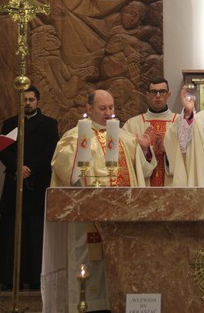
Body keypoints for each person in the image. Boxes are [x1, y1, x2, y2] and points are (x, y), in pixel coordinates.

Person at [44, 89, 156, 312]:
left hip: (122, 217)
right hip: (88, 219)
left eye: (111, 108)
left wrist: (144, 149)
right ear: (89, 109)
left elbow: (144, 171)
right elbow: (62, 166)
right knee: (88, 263)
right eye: (102, 108)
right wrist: (77, 154)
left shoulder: (124, 137)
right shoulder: (75, 136)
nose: (108, 113)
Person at [0, 85, 59, 290]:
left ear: (37, 101)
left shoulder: (49, 124)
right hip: (15, 180)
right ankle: (8, 277)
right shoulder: (10, 124)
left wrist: (30, 168)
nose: (28, 103)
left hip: (37, 182)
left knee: (35, 230)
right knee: (11, 228)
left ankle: (34, 277)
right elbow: (2, 150)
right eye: (25, 100)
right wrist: (17, 167)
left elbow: (51, 150)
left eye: (31, 99)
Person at [123, 77, 184, 186]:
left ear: (168, 95)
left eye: (162, 92)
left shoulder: (180, 123)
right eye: (154, 92)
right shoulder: (132, 124)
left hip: (172, 188)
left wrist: (167, 150)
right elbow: (126, 159)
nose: (158, 96)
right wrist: (147, 151)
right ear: (147, 95)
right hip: (144, 189)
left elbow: (187, 159)